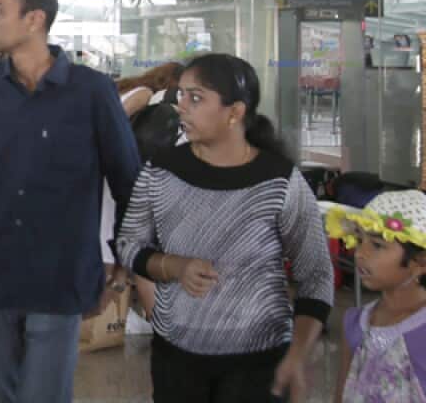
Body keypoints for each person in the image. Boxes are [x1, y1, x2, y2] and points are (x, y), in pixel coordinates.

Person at [0, 0, 140, 403]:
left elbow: (129, 183)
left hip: (60, 279)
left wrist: (125, 257)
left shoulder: (91, 92)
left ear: (34, 19)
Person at [116, 53, 333, 403]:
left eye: (196, 98)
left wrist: (297, 355)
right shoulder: (161, 171)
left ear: (235, 112)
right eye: (180, 94)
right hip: (177, 359)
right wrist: (173, 266)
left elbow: (317, 273)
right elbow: (128, 243)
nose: (180, 106)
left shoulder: (278, 181)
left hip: (260, 364)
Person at [106, 61, 184, 332]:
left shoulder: (139, 92)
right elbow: (113, 122)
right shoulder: (143, 94)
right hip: (132, 176)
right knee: (137, 250)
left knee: (129, 249)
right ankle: (139, 316)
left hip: (123, 176)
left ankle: (123, 312)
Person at [328, 190, 426, 401]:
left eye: (377, 245)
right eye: (359, 239)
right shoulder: (355, 322)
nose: (360, 253)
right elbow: (342, 394)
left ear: (420, 262)